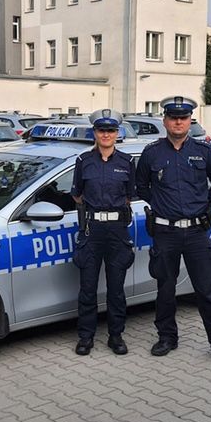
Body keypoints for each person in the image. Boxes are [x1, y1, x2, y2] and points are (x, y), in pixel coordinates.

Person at [135, 96, 211, 367]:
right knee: (165, 290)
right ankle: (167, 338)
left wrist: (201, 204)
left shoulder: (205, 152)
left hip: (196, 234)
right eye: (173, 117)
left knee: (207, 291)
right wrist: (162, 205)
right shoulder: (152, 153)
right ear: (165, 121)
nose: (178, 122)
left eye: (183, 118)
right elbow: (142, 187)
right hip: (165, 233)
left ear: (189, 121)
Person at [71, 109, 136, 356]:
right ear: (95, 133)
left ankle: (116, 336)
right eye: (101, 130)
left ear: (117, 134)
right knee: (87, 288)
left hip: (117, 231)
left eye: (110, 130)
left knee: (116, 288)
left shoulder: (127, 162)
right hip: (92, 229)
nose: (106, 134)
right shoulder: (83, 161)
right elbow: (77, 195)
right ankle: (86, 337)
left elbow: (129, 196)